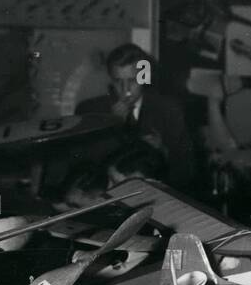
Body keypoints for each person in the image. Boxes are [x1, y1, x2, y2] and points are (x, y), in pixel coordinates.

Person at [76, 45, 196, 191]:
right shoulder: (90, 110)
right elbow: (83, 173)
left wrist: (162, 152)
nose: (125, 90)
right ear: (110, 78)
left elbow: (187, 173)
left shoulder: (168, 110)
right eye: (118, 81)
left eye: (132, 80)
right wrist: (112, 126)